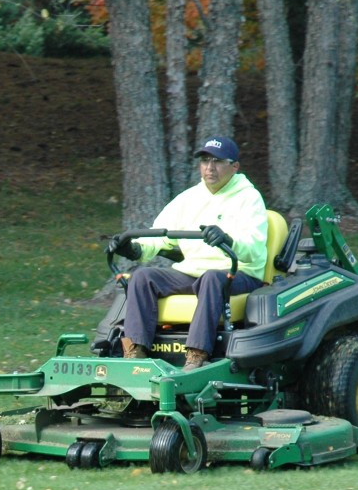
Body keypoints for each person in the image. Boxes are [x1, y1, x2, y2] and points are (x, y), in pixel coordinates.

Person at [107, 136, 269, 371]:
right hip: (193, 272)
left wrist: (228, 239)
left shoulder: (249, 198)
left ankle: (196, 355)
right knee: (143, 277)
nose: (209, 168)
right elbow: (158, 235)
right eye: (204, 161)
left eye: (217, 161)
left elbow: (253, 249)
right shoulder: (188, 199)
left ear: (234, 166)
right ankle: (135, 352)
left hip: (240, 273)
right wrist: (134, 248)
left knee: (212, 278)